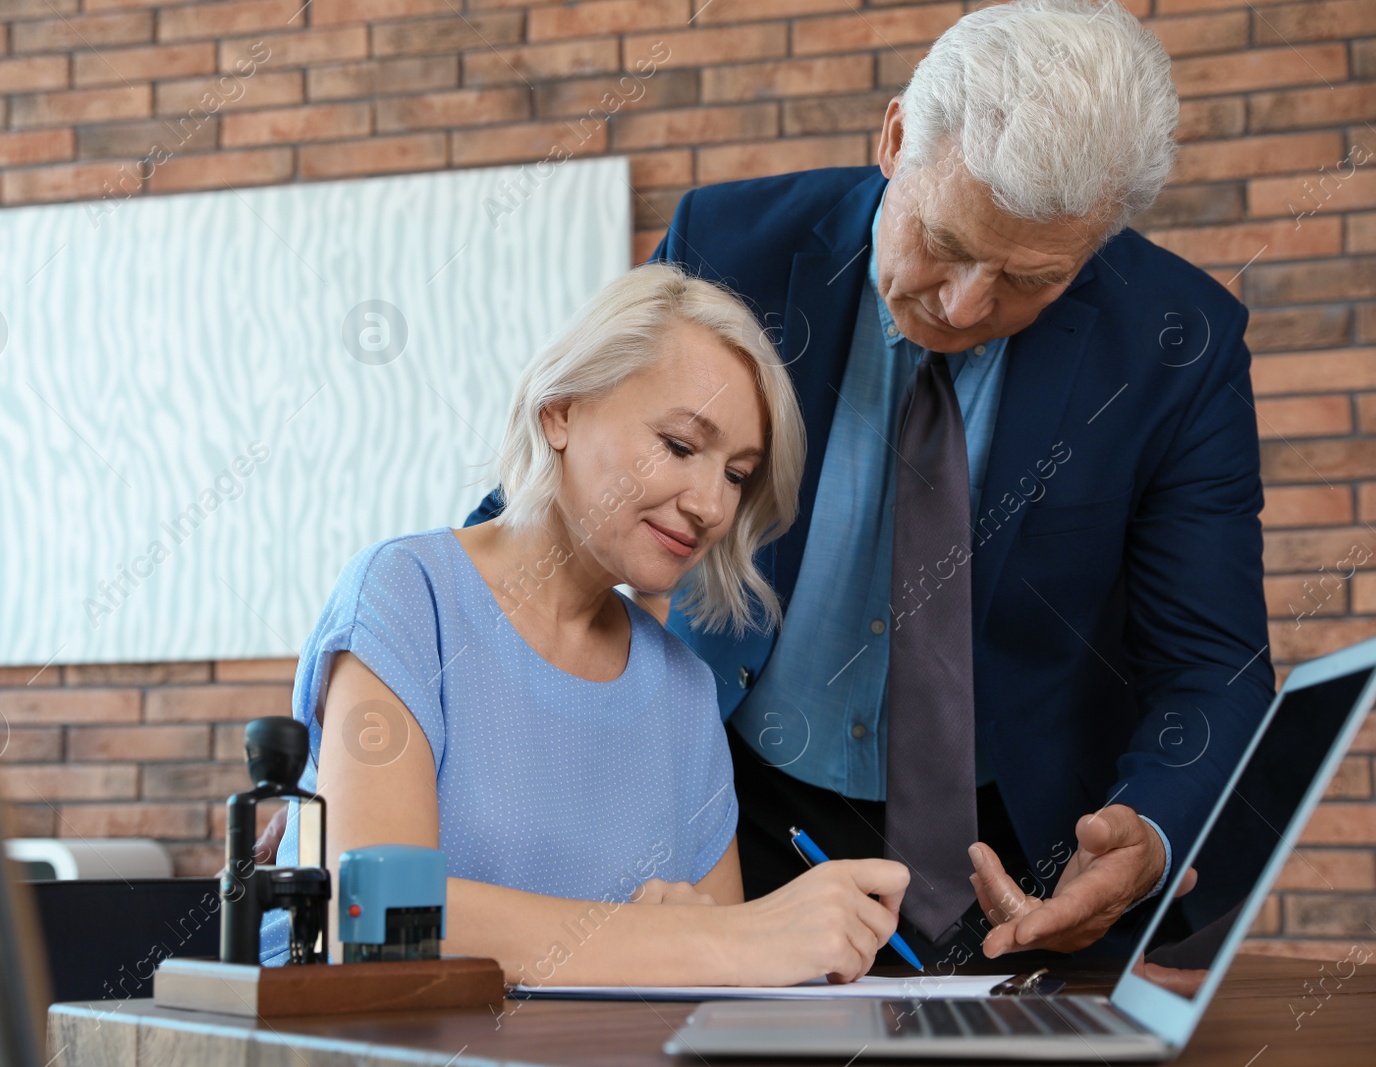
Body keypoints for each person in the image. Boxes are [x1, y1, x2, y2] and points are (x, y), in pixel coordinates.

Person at [467, 0, 1273, 971]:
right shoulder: (736, 248)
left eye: (1029, 277)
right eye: (944, 240)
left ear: (1095, 241)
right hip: (734, 816)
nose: (966, 303)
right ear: (894, 137)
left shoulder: (1174, 346)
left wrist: (1146, 836)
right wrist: (412, 675)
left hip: (1025, 865)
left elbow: (1209, 668)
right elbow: (562, 491)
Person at [258, 261, 913, 985]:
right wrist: (699, 943)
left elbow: (719, 982)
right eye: (681, 445)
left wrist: (701, 942)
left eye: (736, 474)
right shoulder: (407, 596)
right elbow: (373, 914)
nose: (711, 506)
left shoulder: (685, 691)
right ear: (561, 410)